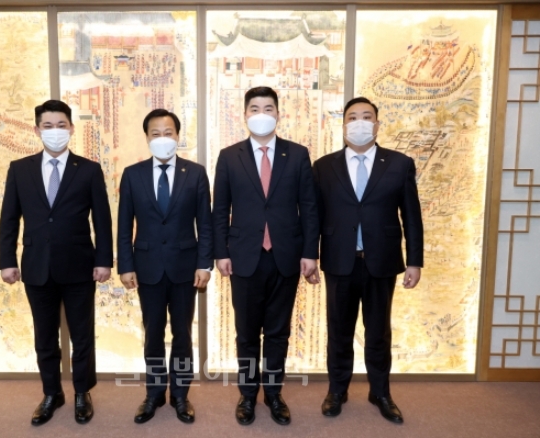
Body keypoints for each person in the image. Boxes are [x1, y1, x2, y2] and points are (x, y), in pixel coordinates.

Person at [0, 99, 113, 426]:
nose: (55, 131)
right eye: (48, 126)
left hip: (79, 266)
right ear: (37, 130)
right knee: (44, 337)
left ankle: (82, 392)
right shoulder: (19, 169)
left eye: (61, 125)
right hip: (36, 266)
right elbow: (9, 219)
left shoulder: (88, 170)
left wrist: (104, 260)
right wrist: (7, 260)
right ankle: (52, 393)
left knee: (82, 336)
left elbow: (102, 221)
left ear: (71, 129)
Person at [212, 86, 320, 426]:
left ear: (278, 114)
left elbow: (309, 207)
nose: (262, 114)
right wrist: (220, 252)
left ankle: (273, 394)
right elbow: (220, 210)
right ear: (245, 115)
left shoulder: (297, 154)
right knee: (246, 333)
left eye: (268, 108)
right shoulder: (229, 156)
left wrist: (310, 252)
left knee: (278, 332)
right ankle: (247, 395)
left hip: (285, 255)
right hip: (244, 256)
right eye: (255, 108)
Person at [312, 96, 423, 424]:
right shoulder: (324, 166)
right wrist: (309, 256)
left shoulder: (400, 164)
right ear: (343, 125)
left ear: (377, 124)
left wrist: (414, 261)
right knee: (339, 331)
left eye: (366, 116)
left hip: (382, 261)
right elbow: (314, 217)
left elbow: (411, 217)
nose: (359, 122)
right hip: (339, 260)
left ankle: (381, 392)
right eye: (352, 117)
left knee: (378, 332)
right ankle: (337, 390)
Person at [117, 109, 212, 424]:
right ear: (146, 138)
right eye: (155, 133)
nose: (162, 138)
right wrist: (125, 265)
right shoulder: (133, 174)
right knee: (153, 333)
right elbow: (124, 225)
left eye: (168, 132)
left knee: (182, 334)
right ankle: (154, 394)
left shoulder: (195, 173)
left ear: (177, 136)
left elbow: (205, 224)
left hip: (186, 267)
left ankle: (181, 396)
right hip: (147, 267)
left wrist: (205, 264)